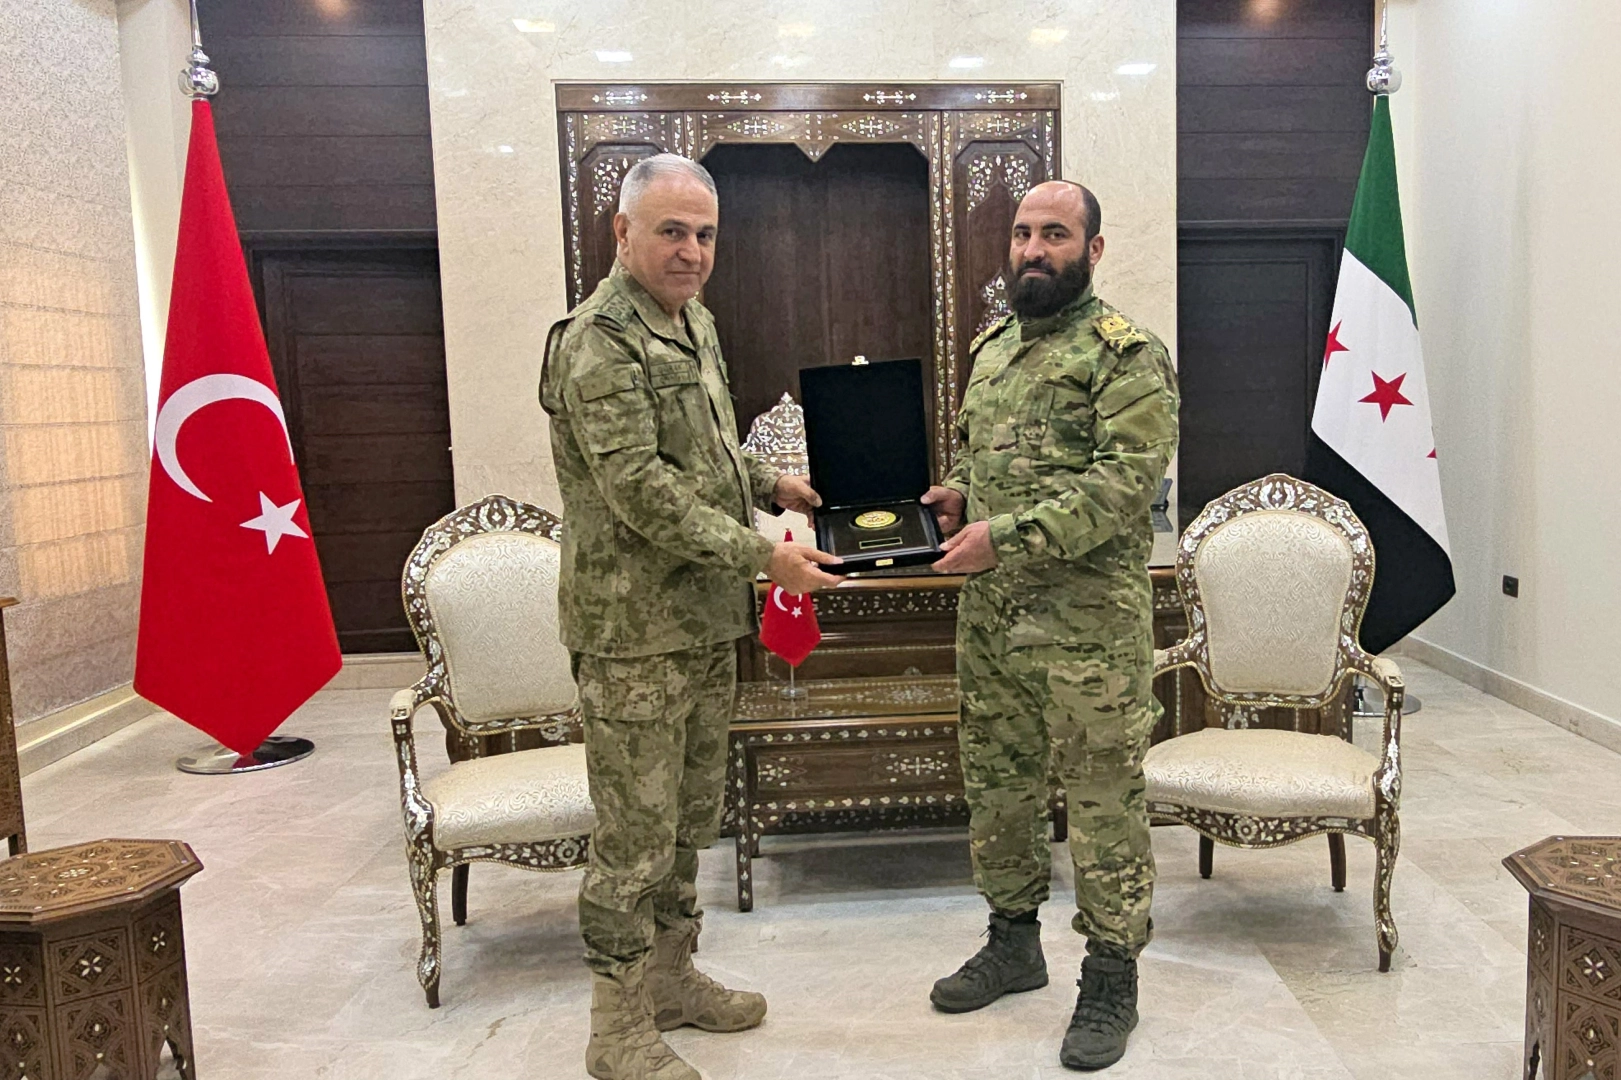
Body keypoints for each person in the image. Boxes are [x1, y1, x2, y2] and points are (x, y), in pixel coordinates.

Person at [540, 153, 844, 1080]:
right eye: (671, 231)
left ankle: (671, 981)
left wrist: (770, 480)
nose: (690, 252)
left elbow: (704, 455)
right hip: (632, 636)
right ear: (621, 232)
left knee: (689, 823)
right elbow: (641, 489)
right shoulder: (597, 341)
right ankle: (616, 1026)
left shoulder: (692, 322)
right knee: (633, 838)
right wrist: (764, 554)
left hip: (705, 622)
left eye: (704, 234)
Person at [921, 180, 1179, 1071]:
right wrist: (958, 497)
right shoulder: (993, 347)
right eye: (1024, 232)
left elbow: (1120, 488)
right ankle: (1012, 942)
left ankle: (1110, 978)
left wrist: (1005, 537)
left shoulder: (1126, 356)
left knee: (1103, 804)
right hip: (993, 623)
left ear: (1091, 250)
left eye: (1055, 234)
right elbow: (981, 459)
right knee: (999, 789)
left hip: (1087, 634)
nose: (1033, 249)